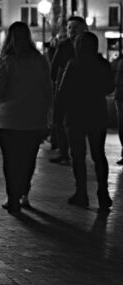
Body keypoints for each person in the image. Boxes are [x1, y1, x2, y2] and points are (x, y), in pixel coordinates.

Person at [0, 22, 53, 214]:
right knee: (28, 158)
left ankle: (12, 197)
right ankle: (24, 192)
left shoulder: (5, 60)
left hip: (7, 119)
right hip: (33, 118)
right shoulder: (39, 60)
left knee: (11, 159)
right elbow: (48, 90)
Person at [55, 32, 113, 212]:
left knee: (78, 155)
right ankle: (103, 193)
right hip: (97, 113)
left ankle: (81, 193)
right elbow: (109, 87)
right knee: (98, 154)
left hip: (76, 115)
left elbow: (62, 92)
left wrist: (57, 117)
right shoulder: (103, 64)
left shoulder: (73, 64)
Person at [49, 16, 88, 164]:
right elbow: (54, 66)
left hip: (81, 90)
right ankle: (64, 152)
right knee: (59, 121)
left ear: (83, 28)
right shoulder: (64, 45)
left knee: (74, 123)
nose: (71, 30)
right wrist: (55, 82)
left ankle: (76, 153)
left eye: (75, 27)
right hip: (63, 87)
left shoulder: (87, 44)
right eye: (69, 27)